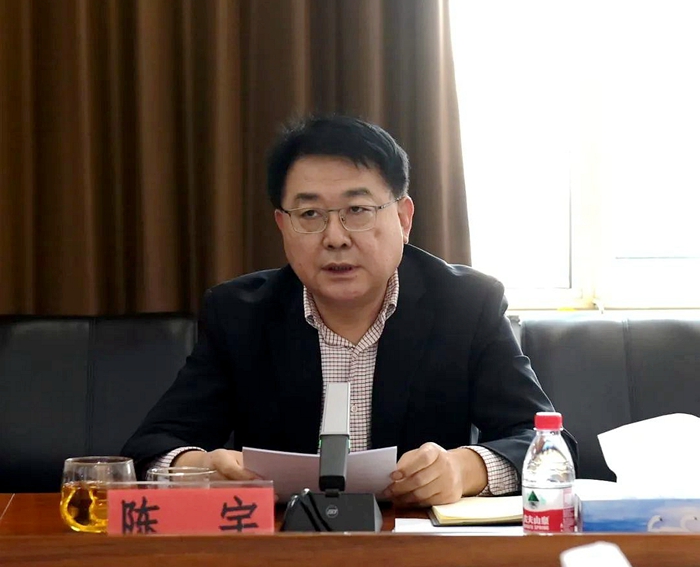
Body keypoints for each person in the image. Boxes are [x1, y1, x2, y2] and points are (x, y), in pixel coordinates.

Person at [122, 115, 577, 507]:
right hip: (285, 554)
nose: (335, 237)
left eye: (358, 210)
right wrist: (200, 468)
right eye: (310, 215)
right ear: (282, 225)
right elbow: (149, 449)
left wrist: (463, 469)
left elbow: (546, 444)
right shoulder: (240, 314)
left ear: (403, 218)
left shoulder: (466, 304)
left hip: (418, 553)